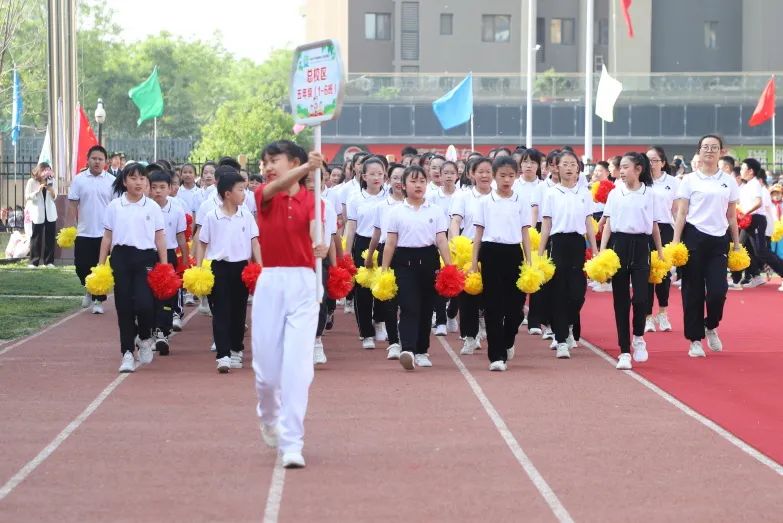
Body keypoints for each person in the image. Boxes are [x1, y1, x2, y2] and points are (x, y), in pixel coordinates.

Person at [252, 140, 328, 470]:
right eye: (265, 162)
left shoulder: (314, 200)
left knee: (298, 368)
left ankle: (292, 441)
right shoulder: (264, 194)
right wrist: (307, 168)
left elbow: (315, 229)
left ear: (292, 160)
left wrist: (319, 244)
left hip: (304, 283)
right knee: (268, 375)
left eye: (275, 160)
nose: (268, 166)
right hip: (271, 282)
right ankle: (268, 415)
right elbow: (275, 187)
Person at [672, 134, 741, 358]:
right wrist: (675, 242)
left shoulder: (728, 181)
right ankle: (694, 340)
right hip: (693, 236)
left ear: (722, 151)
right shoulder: (689, 180)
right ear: (699, 151)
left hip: (719, 238)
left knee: (717, 291)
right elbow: (681, 213)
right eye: (705, 147)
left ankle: (710, 325)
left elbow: (731, 216)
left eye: (714, 147)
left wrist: (737, 244)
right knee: (692, 291)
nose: (709, 151)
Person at [380, 165, 452, 371]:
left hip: (428, 259)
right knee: (409, 306)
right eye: (413, 181)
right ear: (403, 185)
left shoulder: (436, 210)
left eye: (422, 181)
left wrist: (449, 267)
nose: (418, 185)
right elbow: (391, 243)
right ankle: (409, 349)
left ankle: (422, 351)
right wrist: (384, 269)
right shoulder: (396, 212)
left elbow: (441, 240)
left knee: (426, 307)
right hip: (404, 262)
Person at [98, 163, 167, 373]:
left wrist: (164, 265)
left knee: (146, 304)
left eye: (142, 178)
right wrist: (100, 266)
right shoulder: (115, 206)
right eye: (134, 178)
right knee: (124, 306)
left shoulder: (152, 207)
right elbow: (107, 237)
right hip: (121, 257)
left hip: (145, 257)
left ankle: (145, 337)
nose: (139, 182)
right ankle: (127, 352)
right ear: (125, 180)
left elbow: (160, 237)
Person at [600, 153, 665, 370]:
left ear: (638, 169)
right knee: (620, 301)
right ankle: (624, 351)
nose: (622, 170)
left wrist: (661, 252)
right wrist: (602, 252)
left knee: (640, 298)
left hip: (641, 246)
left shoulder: (650, 194)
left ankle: (638, 336)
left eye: (626, 167)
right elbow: (608, 224)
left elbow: (655, 226)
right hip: (619, 245)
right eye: (621, 167)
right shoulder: (615, 193)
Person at [471, 156, 533, 371]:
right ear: (494, 177)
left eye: (511, 176)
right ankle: (496, 356)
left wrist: (529, 261)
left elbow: (525, 232)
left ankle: (508, 340)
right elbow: (478, 233)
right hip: (490, 253)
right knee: (493, 306)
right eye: (502, 176)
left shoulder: (521, 201)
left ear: (516, 176)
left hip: (514, 253)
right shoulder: (485, 202)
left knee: (516, 308)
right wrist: (473, 263)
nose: (507, 180)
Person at [198, 170, 261, 373]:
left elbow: (255, 243)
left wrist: (258, 266)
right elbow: (202, 243)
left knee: (239, 310)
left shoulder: (246, 216)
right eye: (241, 190)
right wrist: (199, 268)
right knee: (221, 311)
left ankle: (236, 349)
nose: (244, 194)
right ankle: (223, 354)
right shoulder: (212, 216)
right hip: (219, 267)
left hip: (241, 267)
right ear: (227, 193)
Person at [538, 150, 598, 359]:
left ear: (578, 168)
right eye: (565, 163)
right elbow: (546, 224)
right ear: (557, 167)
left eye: (573, 163)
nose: (569, 167)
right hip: (558, 243)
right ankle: (561, 339)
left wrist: (596, 249)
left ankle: (570, 323)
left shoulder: (584, 193)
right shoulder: (551, 193)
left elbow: (589, 222)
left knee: (577, 293)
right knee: (559, 292)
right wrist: (540, 253)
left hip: (577, 244)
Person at [449, 157, 493, 354]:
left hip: (492, 249)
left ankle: (486, 323)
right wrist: (454, 244)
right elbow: (456, 221)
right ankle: (469, 336)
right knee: (467, 297)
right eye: (480, 171)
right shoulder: (463, 197)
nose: (484, 175)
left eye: (488, 171)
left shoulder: (500, 197)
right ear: (471, 174)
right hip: (467, 250)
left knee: (491, 295)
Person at [344, 156, 388, 349]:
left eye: (380, 173)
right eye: (372, 174)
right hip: (363, 242)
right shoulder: (355, 198)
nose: (376, 177)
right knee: (362, 290)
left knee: (383, 283)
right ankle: (366, 333)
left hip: (385, 243)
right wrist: (347, 252)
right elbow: (351, 227)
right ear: (363, 175)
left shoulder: (389, 196)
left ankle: (379, 321)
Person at [67, 145, 115, 314]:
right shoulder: (79, 179)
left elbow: (116, 207)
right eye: (94, 158)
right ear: (88, 160)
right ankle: (88, 288)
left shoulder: (111, 181)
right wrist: (71, 225)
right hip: (84, 231)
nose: (97, 161)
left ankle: (98, 301)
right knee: (81, 266)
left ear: (105, 162)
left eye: (100, 159)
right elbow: (73, 204)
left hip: (105, 234)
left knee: (101, 267)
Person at [365, 163, 405, 360]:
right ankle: (394, 342)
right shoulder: (382, 207)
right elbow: (376, 233)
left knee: (406, 299)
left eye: (402, 178)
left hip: (409, 253)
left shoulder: (418, 204)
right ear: (389, 180)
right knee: (389, 299)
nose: (399, 182)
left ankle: (406, 338)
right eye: (395, 178)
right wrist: (370, 256)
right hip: (386, 252)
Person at [148, 170, 189, 352]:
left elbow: (181, 237)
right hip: (147, 255)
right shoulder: (144, 207)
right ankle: (148, 331)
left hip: (169, 255)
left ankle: (162, 333)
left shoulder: (177, 210)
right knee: (148, 297)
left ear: (170, 188)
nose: (158, 191)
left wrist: (186, 260)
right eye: (154, 187)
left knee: (167, 296)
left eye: (162, 187)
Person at [644, 146, 679, 332]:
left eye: (655, 160)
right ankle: (648, 316)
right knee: (647, 274)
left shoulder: (673, 182)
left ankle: (663, 312)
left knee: (663, 275)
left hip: (665, 229)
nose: (651, 164)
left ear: (663, 162)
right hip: (645, 230)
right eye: (648, 160)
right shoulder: (642, 182)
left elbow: (677, 209)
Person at [25, 162, 58, 268]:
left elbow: (55, 197)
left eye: (48, 170)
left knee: (50, 237)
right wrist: (37, 191)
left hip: (50, 213)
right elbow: (27, 196)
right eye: (44, 170)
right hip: (37, 213)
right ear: (39, 171)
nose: (46, 172)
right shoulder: (32, 182)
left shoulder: (52, 181)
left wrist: (51, 189)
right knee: (36, 237)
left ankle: (49, 262)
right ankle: (34, 262)